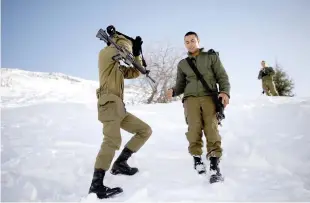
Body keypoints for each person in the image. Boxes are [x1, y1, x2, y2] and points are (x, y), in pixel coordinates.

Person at [89, 25, 152, 199]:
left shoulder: (116, 66)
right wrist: (123, 39)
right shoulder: (105, 55)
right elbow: (124, 49)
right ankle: (96, 185)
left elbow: (135, 72)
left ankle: (120, 164)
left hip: (119, 108)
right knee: (112, 140)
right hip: (108, 103)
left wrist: (138, 53)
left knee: (144, 130)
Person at [166, 31, 230, 182]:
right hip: (190, 100)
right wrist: (174, 90)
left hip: (209, 97)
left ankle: (214, 164)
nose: (190, 44)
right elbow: (181, 85)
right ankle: (197, 158)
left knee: (211, 128)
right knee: (193, 128)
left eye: (192, 40)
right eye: (187, 42)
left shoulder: (211, 57)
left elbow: (222, 76)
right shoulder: (182, 64)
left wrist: (225, 92)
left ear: (198, 41)